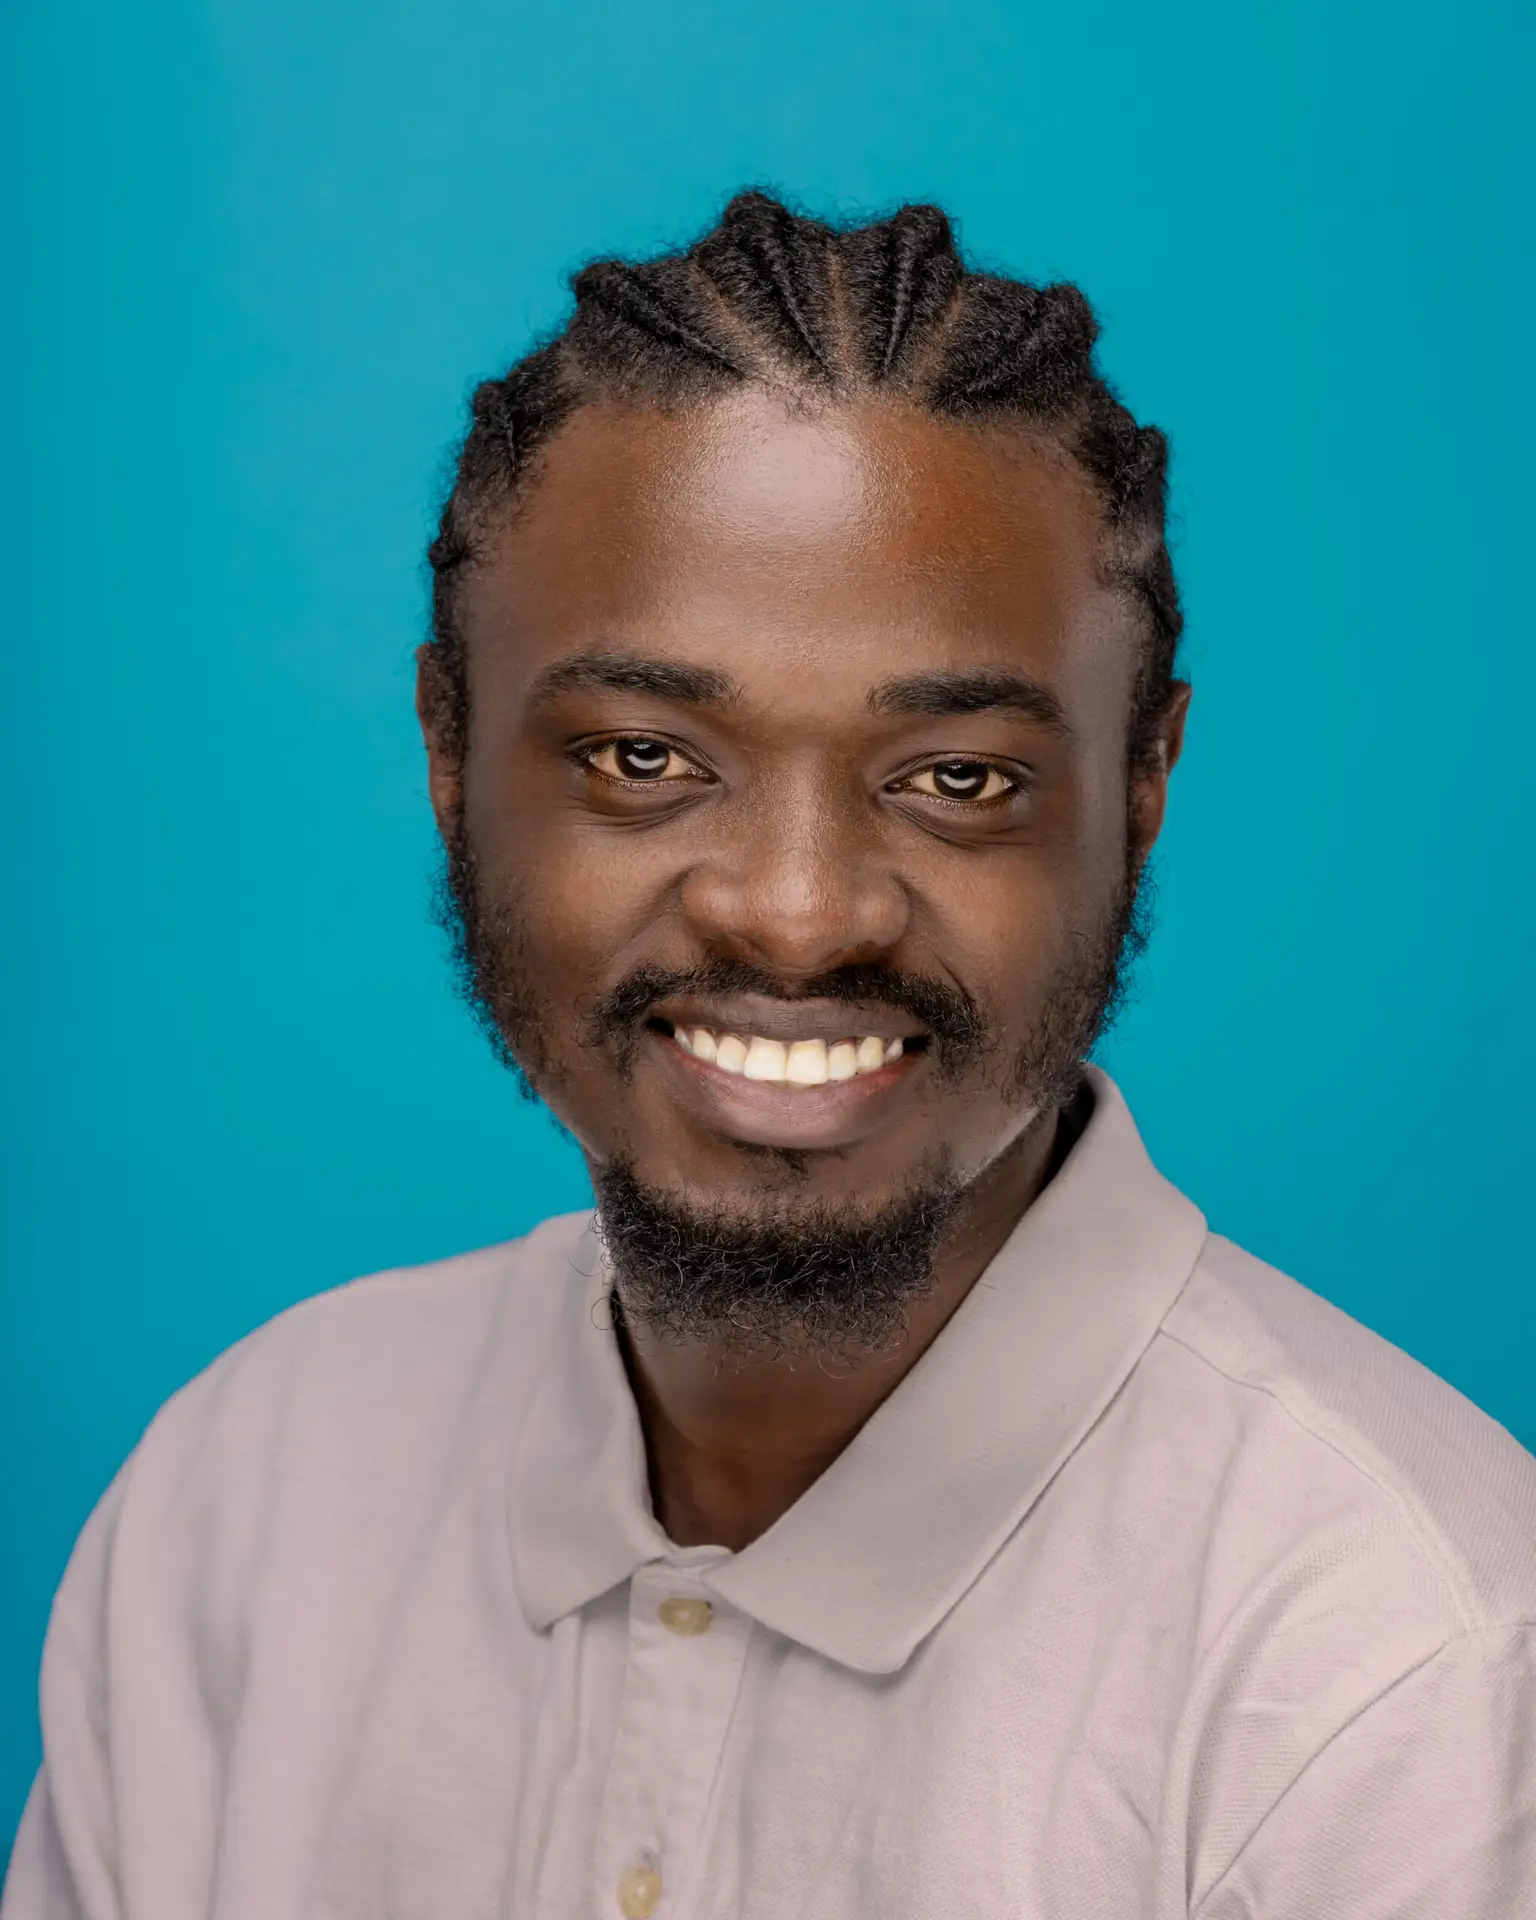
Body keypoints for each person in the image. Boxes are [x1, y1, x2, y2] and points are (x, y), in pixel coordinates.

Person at [5, 191, 1533, 1920]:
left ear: (1143, 784)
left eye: (957, 778)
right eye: (646, 759)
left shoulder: (1403, 1674)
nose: (800, 916)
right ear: (448, 747)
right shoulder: (246, 1498)